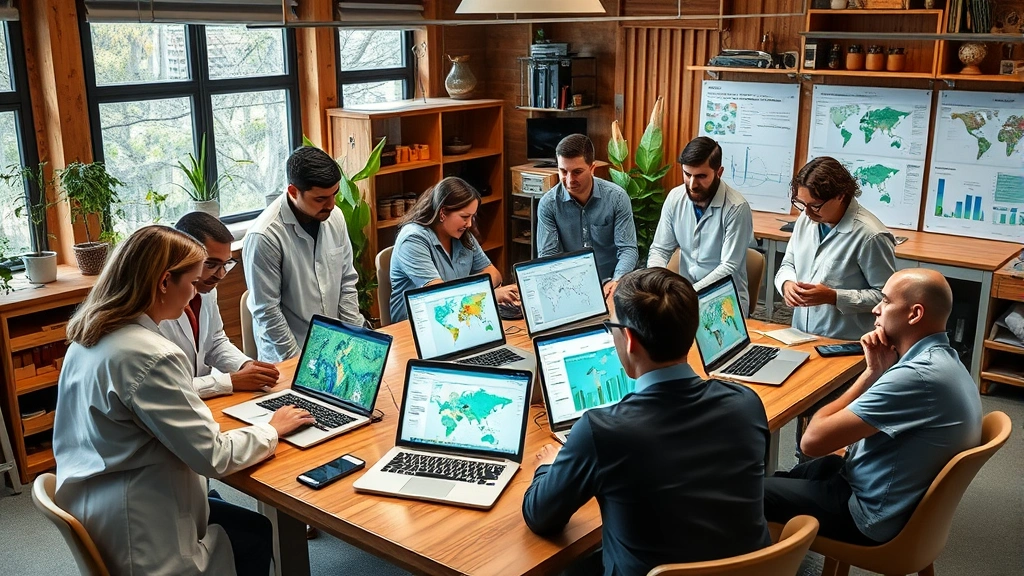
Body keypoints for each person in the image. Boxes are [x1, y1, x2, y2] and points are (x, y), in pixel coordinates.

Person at [53, 225, 315, 576]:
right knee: (252, 534)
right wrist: (272, 429)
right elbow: (215, 456)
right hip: (143, 528)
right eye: (192, 282)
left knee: (249, 525)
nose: (197, 291)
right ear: (164, 282)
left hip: (99, 500)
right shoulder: (151, 355)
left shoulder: (90, 334)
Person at [522, 267, 771, 576]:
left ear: (628, 339)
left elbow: (541, 517)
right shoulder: (746, 404)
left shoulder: (601, 432)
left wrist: (548, 467)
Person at [764, 268, 982, 545]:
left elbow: (812, 442)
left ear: (914, 314)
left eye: (886, 301)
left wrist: (870, 374)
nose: (876, 310)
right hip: (887, 493)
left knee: (750, 494)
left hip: (868, 513)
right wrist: (878, 372)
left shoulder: (916, 377)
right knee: (785, 477)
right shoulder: (943, 360)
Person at [243, 146, 364, 363]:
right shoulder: (265, 236)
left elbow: (347, 282)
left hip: (335, 351)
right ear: (292, 191)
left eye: (334, 194)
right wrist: (299, 363)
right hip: (289, 355)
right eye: (320, 199)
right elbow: (267, 312)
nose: (332, 205)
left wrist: (355, 339)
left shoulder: (334, 217)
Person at [159, 211, 279, 397]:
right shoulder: (153, 309)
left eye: (226, 264)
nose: (221, 274)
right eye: (211, 264)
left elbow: (214, 341)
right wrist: (229, 381)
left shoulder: (207, 289)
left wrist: (245, 366)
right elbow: (162, 388)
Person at [775, 156, 896, 340]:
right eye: (801, 204)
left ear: (840, 196)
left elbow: (887, 298)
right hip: (799, 336)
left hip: (845, 342)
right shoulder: (807, 218)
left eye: (815, 205)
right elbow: (788, 263)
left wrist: (834, 297)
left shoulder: (871, 236)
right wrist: (787, 284)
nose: (807, 213)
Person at [647, 136, 755, 315]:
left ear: (718, 172)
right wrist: (655, 282)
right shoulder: (675, 198)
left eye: (701, 176)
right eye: (687, 174)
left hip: (724, 301)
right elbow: (660, 249)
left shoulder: (736, 208)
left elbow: (728, 267)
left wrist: (687, 294)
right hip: (684, 300)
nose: (692, 184)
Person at [389, 177, 519, 322]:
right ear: (443, 212)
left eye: (472, 217)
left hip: (456, 317)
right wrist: (489, 295)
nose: (469, 224)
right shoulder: (413, 240)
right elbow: (439, 295)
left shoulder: (461, 234)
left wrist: (473, 294)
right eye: (464, 217)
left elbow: (494, 274)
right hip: (416, 325)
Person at [536, 134, 638, 297]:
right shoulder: (548, 204)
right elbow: (548, 256)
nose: (569, 180)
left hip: (612, 283)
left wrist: (616, 281)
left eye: (577, 172)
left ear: (592, 168)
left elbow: (627, 249)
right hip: (568, 287)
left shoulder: (617, 198)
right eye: (563, 171)